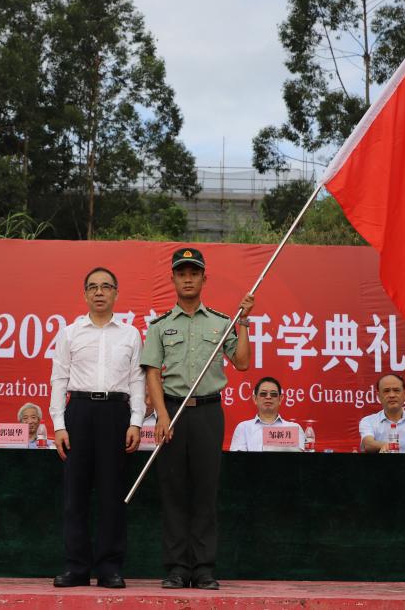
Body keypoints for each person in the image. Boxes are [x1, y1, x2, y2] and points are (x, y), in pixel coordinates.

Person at [141, 247, 254, 590]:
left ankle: (204, 568)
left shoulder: (221, 322)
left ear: (205, 279)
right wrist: (161, 415)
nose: (187, 279)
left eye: (194, 273)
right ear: (173, 279)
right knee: (174, 491)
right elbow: (152, 373)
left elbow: (242, 363)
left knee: (205, 491)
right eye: (182, 273)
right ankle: (177, 568)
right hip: (172, 413)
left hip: (207, 413)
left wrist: (243, 322)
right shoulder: (160, 326)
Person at [49, 267, 145, 589]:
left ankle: (109, 568)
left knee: (112, 494)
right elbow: (59, 379)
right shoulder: (70, 333)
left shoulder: (130, 334)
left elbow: (137, 380)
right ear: (85, 294)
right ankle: (76, 567)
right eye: (93, 287)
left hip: (116, 413)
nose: (99, 292)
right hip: (79, 411)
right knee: (75, 495)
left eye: (106, 286)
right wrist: (59, 425)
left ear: (116, 292)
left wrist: (135, 421)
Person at [229, 377, 305, 451]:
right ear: (255, 399)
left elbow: (299, 458)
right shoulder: (243, 428)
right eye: (263, 394)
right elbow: (238, 458)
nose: (268, 397)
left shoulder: (294, 428)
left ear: (280, 399)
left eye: (273, 394)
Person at [359, 373, 405, 453]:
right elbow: (367, 444)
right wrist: (385, 446)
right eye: (386, 391)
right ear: (379, 396)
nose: (392, 395)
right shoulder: (368, 421)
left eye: (396, 390)